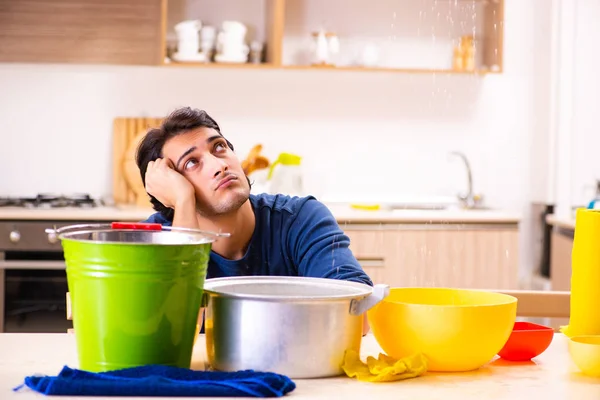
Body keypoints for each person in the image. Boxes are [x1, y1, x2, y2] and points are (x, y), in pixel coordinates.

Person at [135, 106, 373, 333]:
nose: (219, 165)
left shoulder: (301, 219)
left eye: (218, 147)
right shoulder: (156, 239)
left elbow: (360, 317)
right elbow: (169, 334)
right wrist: (184, 202)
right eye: (191, 163)